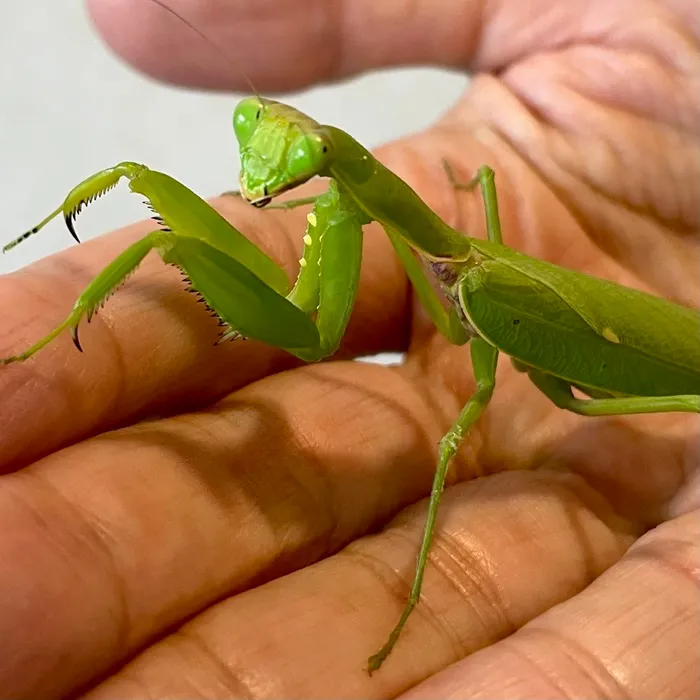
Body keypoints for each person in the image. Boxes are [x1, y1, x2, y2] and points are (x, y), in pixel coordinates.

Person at [1, 0, 698, 697]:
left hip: (623, 351)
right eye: (257, 127)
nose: (267, 171)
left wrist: (407, 608)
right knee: (155, 207)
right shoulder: (391, 224)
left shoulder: (474, 287)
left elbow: (323, 330)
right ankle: (37, 292)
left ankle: (415, 600)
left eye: (300, 161)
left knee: (454, 441)